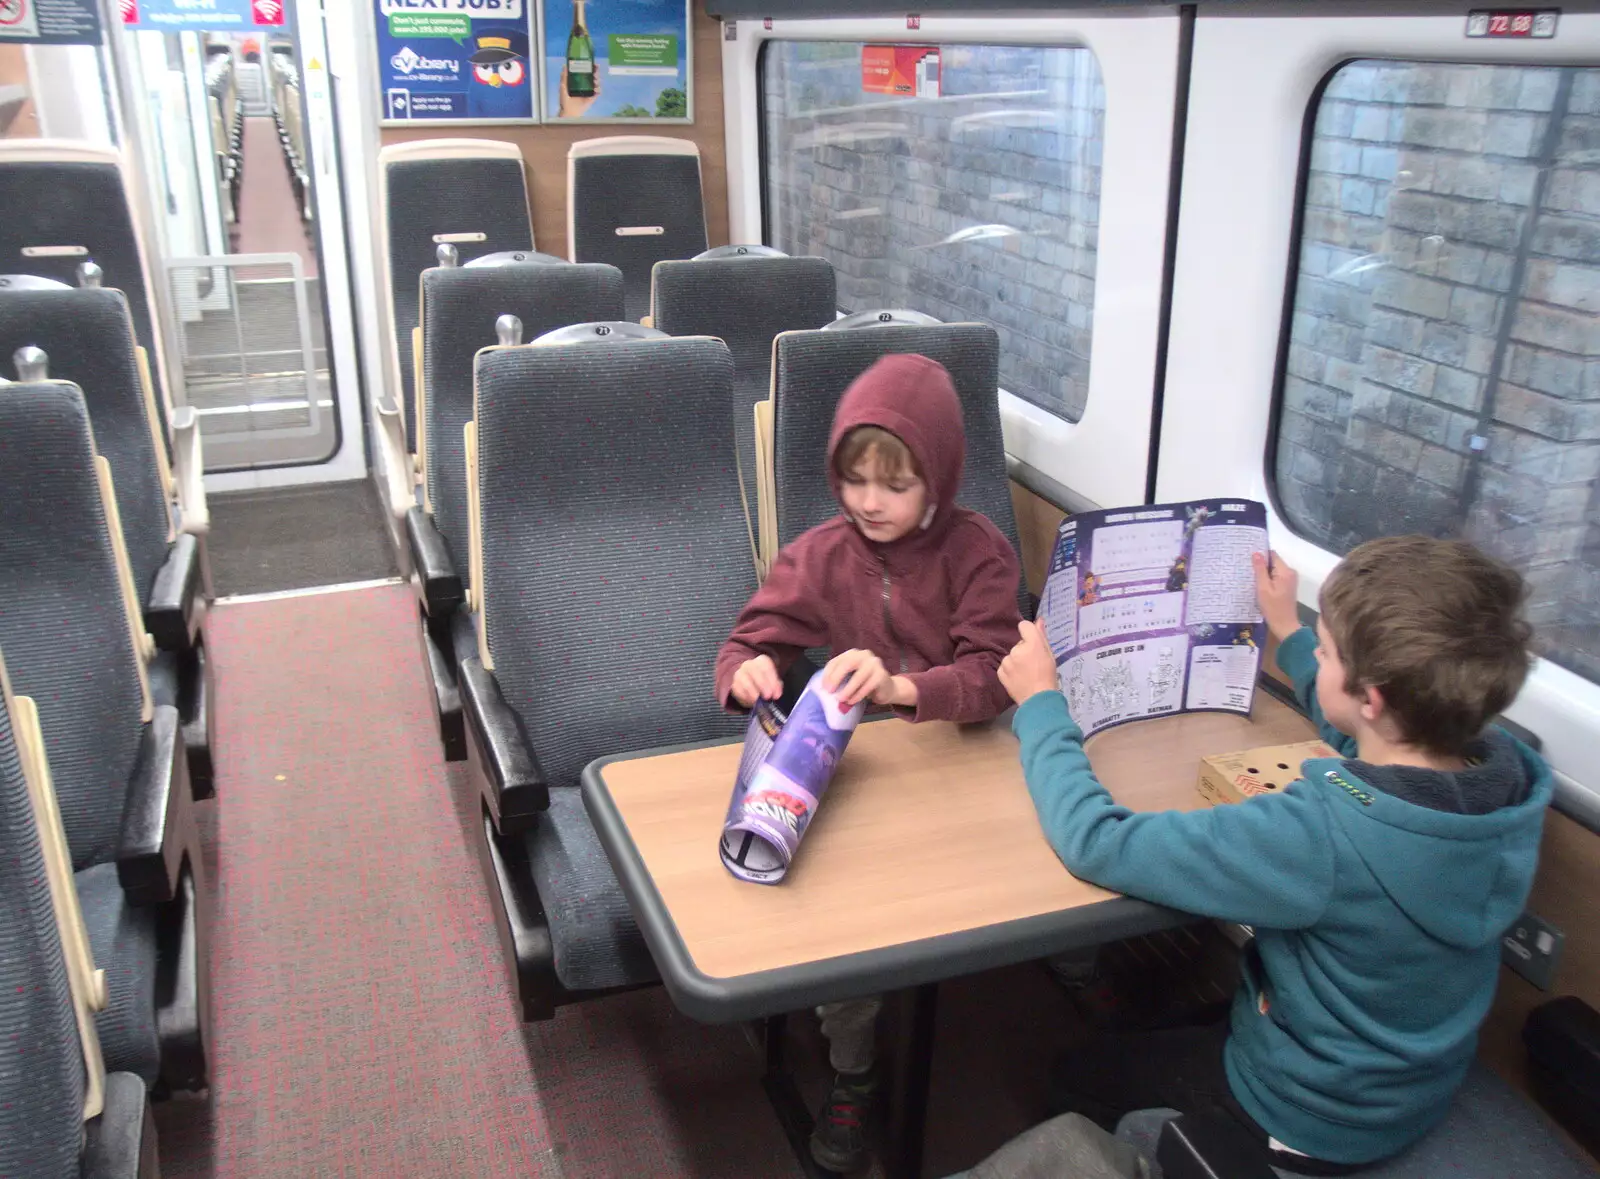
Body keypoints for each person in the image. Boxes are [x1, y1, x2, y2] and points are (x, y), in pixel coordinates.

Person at [996, 536, 1551, 1173]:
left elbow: (1096, 842)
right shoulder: (1507, 784)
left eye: (1327, 648)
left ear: (1371, 695)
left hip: (1305, 1111)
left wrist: (1041, 706)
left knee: (1079, 1070)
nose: (1316, 650)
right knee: (1166, 1023)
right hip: (1404, 1083)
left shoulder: (1323, 834)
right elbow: (1370, 732)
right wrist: (1287, 628)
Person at [716, 352, 1023, 1172]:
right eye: (854, 480)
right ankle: (853, 1072)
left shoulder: (979, 550)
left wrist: (904, 685)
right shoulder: (820, 553)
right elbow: (752, 638)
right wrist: (746, 671)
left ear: (942, 477)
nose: (869, 503)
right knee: (845, 934)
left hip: (958, 756)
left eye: (894, 484)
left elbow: (997, 673)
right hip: (861, 772)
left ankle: (1072, 960)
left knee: (1042, 851)